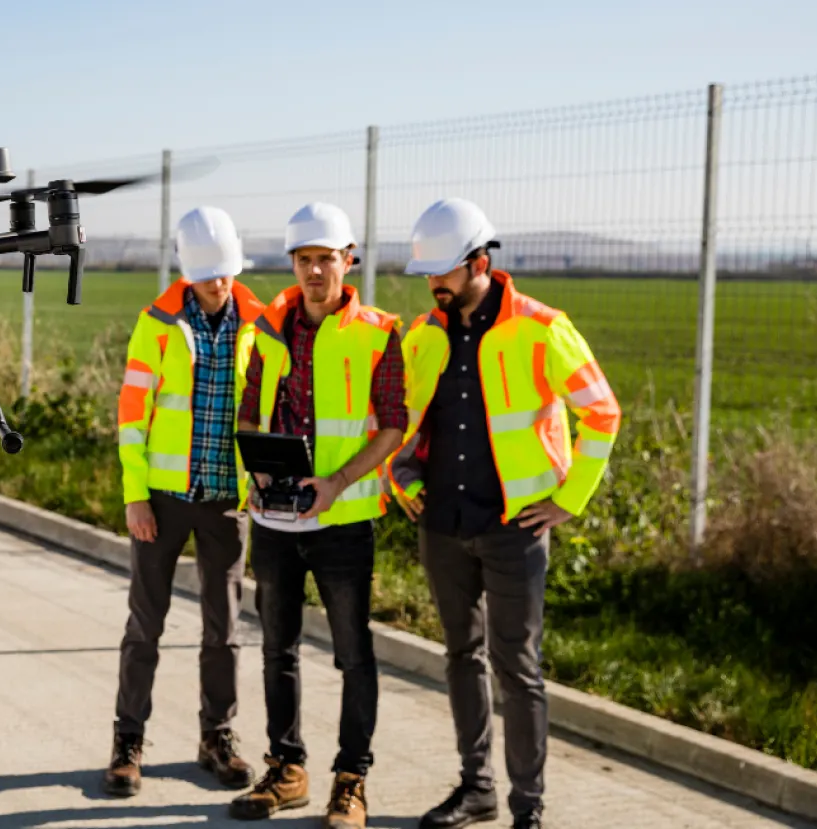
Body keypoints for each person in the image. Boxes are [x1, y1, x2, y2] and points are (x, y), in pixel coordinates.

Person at [387, 198, 622, 829]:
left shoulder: (541, 327)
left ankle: (529, 809)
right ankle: (476, 789)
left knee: (517, 670)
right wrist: (399, 472)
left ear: (479, 262)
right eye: (428, 274)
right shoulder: (424, 334)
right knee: (461, 657)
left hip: (515, 528)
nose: (434, 284)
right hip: (442, 525)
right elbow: (403, 421)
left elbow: (604, 413)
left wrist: (568, 500)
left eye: (443, 272)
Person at [228, 202, 406, 828]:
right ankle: (287, 769)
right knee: (277, 649)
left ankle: (351, 780)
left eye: (324, 259)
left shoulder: (379, 332)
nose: (313, 272)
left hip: (342, 521)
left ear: (347, 260)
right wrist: (258, 471)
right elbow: (249, 413)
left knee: (353, 655)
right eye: (303, 260)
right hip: (275, 523)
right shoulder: (270, 330)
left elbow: (393, 427)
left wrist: (335, 482)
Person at [106, 206, 266, 798]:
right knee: (145, 626)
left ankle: (217, 738)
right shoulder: (157, 323)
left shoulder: (260, 323)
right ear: (187, 272)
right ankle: (127, 744)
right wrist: (135, 496)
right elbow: (131, 415)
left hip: (228, 500)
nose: (218, 285)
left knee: (224, 630)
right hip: (163, 502)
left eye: (225, 273)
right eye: (207, 276)